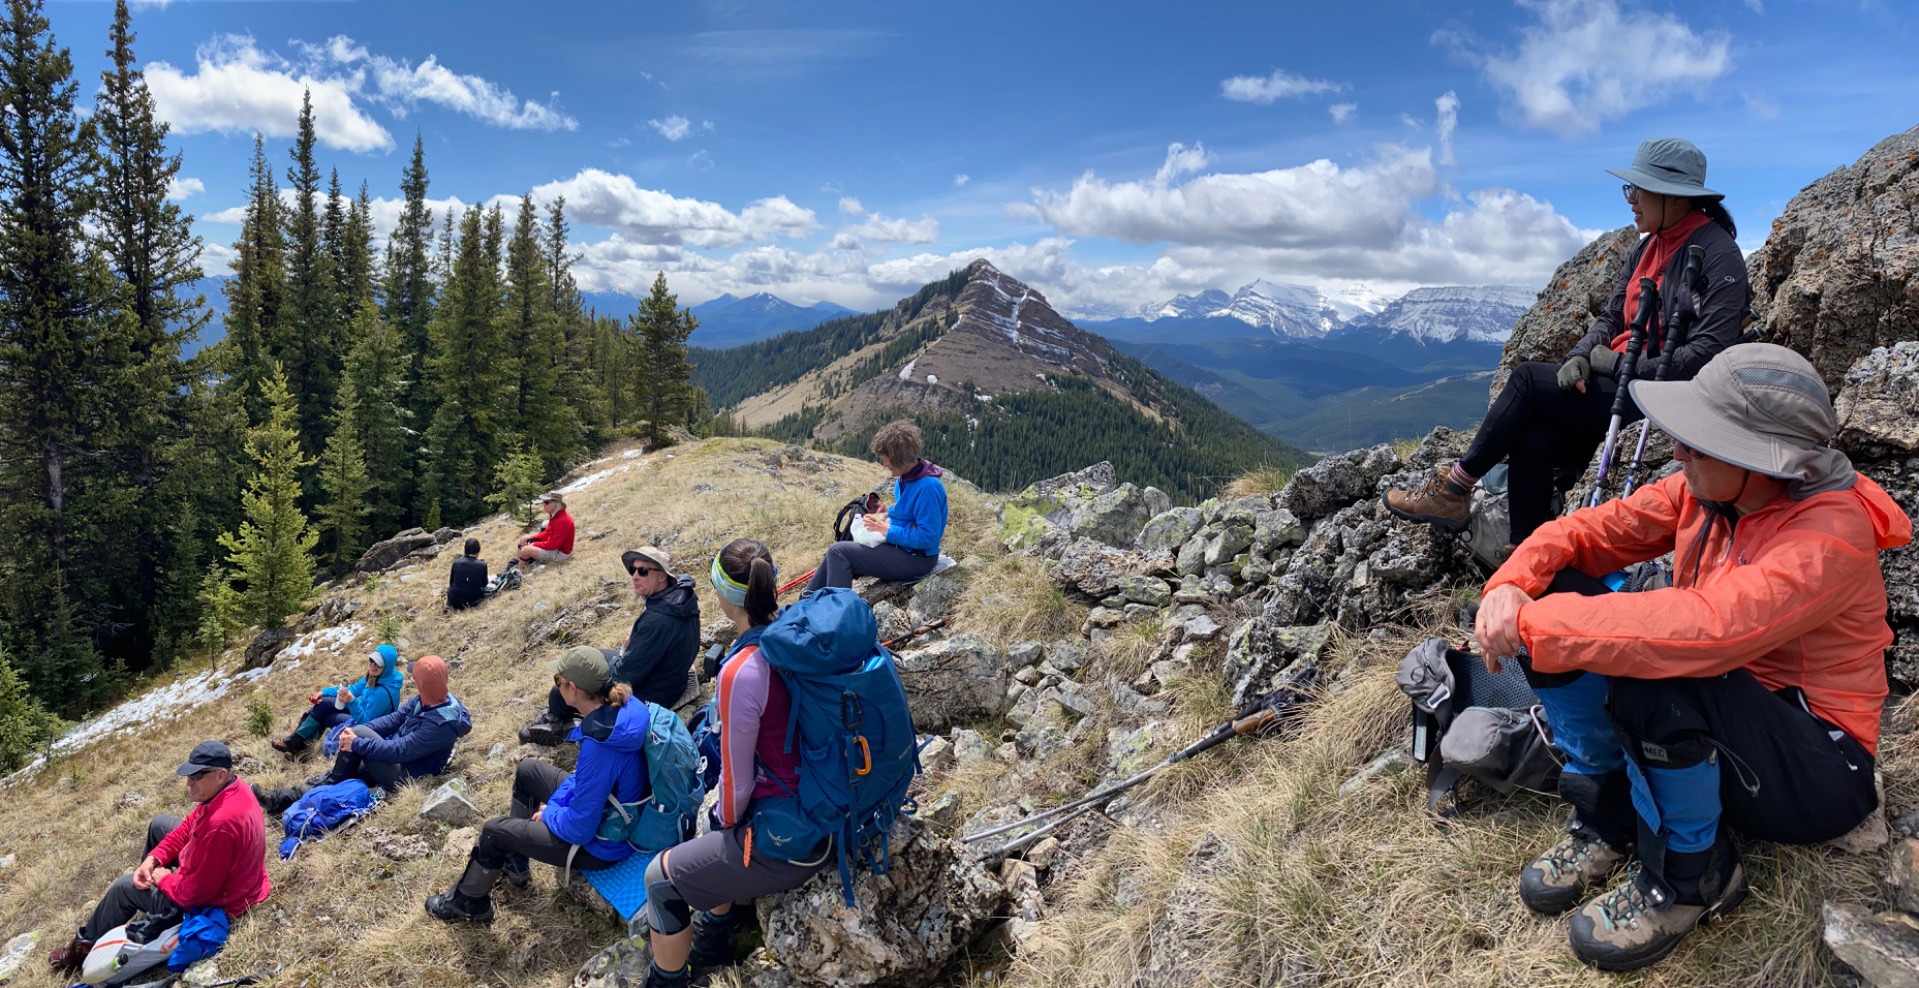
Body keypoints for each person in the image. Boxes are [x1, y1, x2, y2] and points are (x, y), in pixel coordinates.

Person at [1471, 344, 1911, 971]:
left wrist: (1529, 626)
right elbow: (1586, 532)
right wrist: (1512, 586)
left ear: (1760, 458)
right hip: (1734, 718)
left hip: (1821, 770)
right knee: (1557, 589)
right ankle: (1610, 813)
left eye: (1699, 443)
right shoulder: (1710, 493)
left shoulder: (1829, 535)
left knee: (1659, 669)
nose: (1678, 452)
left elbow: (1709, 631)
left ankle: (1692, 876)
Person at [1386, 138, 1752, 553]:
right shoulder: (1647, 247)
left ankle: (1455, 489)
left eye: (1639, 189)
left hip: (1661, 395)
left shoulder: (1718, 254)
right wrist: (1580, 355)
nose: (1631, 200)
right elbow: (1611, 318)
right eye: (1630, 189)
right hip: (1623, 383)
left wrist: (1616, 365)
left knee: (1527, 380)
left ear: (1675, 197)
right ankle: (1528, 555)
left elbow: (1705, 355)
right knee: (1535, 435)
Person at [631, 539, 831, 988]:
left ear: (723, 594)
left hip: (794, 831)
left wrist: (720, 821)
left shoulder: (741, 671)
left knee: (661, 877)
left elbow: (737, 787)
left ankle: (668, 979)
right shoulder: (800, 633)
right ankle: (714, 934)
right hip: (834, 798)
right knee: (717, 826)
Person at [425, 646, 651, 923]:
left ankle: (468, 904)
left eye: (558, 680)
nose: (556, 685)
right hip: (615, 808)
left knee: (494, 831)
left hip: (602, 844)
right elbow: (586, 781)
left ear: (572, 688)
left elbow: (580, 828)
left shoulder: (601, 745)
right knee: (528, 770)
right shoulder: (621, 710)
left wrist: (550, 815)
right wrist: (557, 804)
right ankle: (516, 861)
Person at [49, 741, 270, 974]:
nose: (189, 783)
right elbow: (189, 825)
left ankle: (83, 947)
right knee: (160, 824)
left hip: (222, 901)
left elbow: (198, 894)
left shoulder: (220, 824)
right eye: (189, 775)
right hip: (238, 877)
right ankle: (149, 894)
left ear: (221, 775)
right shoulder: (230, 790)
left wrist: (164, 880)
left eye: (196, 776)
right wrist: (153, 859)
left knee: (123, 888)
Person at [520, 546, 700, 745]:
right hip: (669, 678)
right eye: (633, 570)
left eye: (643, 571)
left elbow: (624, 675)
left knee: (566, 685)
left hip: (652, 692)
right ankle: (560, 716)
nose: (635, 576)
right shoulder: (681, 598)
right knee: (582, 659)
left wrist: (618, 658)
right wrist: (632, 648)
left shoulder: (657, 620)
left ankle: (563, 725)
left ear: (662, 576)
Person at [255, 655, 471, 814]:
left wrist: (357, 742)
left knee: (346, 763)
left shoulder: (441, 725)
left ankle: (314, 786)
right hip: (395, 761)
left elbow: (401, 750)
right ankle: (281, 799)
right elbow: (393, 720)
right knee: (343, 773)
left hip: (407, 776)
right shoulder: (425, 699)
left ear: (422, 683)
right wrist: (357, 734)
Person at [803, 420, 947, 593]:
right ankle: (806, 599)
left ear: (898, 458)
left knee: (839, 552)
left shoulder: (928, 488)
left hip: (917, 560)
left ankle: (839, 605)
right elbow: (905, 514)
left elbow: (928, 538)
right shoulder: (905, 479)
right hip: (902, 549)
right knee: (836, 551)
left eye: (885, 459)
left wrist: (887, 531)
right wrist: (880, 518)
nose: (884, 464)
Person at [271, 644, 404, 757]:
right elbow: (354, 689)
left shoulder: (382, 693)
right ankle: (294, 744)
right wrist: (323, 692)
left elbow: (366, 723)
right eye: (372, 660)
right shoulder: (377, 676)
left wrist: (352, 702)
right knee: (323, 703)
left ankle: (299, 751)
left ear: (387, 666)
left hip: (369, 728)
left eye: (378, 664)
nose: (373, 666)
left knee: (327, 717)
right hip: (361, 712)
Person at [517, 492, 575, 565]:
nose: (544, 504)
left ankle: (520, 568)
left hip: (560, 554)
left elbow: (552, 545)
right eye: (544, 501)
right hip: (555, 548)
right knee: (524, 538)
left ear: (556, 504)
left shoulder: (562, 521)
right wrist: (532, 537)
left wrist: (534, 544)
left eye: (547, 502)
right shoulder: (556, 516)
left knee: (525, 550)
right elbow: (547, 533)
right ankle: (517, 562)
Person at [447, 537, 487, 610]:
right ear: (478, 550)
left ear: (465, 550)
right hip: (472, 601)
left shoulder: (456, 562)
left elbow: (451, 582)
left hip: (453, 601)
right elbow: (484, 584)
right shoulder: (482, 565)